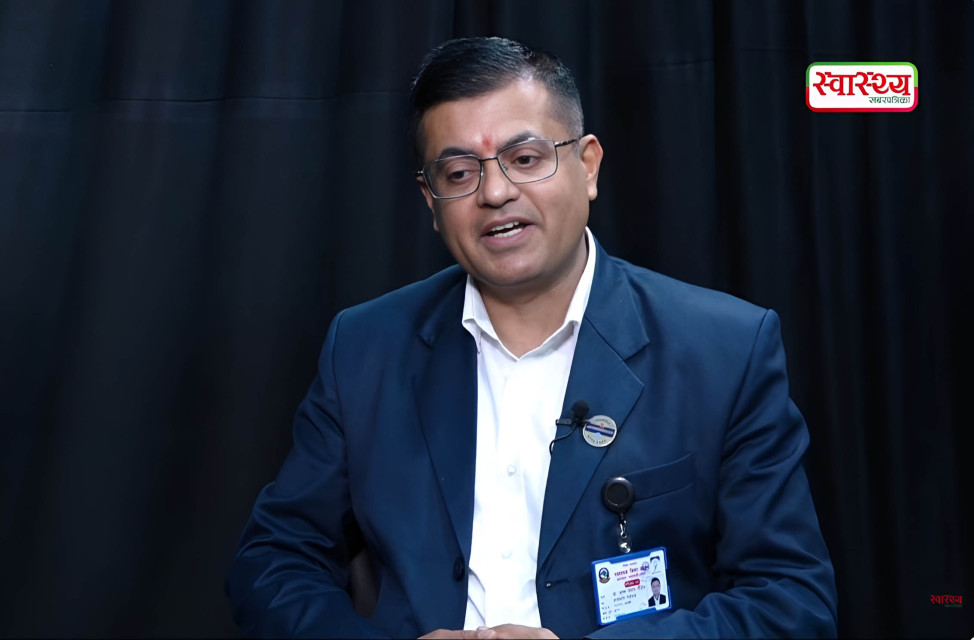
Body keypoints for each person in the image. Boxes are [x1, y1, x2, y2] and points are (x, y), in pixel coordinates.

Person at [226, 36, 837, 638]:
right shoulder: (365, 347)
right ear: (431, 200)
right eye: (459, 172)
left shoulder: (724, 349)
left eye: (524, 159)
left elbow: (790, 600)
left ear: (588, 165)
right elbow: (273, 562)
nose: (495, 193)